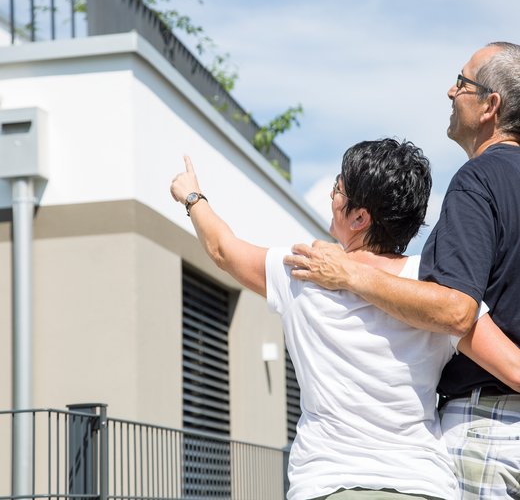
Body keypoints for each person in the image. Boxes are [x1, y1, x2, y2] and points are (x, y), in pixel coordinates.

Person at [170, 138, 520, 500]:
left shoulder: (301, 271)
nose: (332, 194)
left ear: (359, 217)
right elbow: (512, 368)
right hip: (420, 483)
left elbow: (222, 250)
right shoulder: (437, 290)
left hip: (326, 482)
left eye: (338, 187)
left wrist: (193, 198)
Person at [283, 42, 520, 499]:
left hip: (488, 429)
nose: (451, 91)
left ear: (491, 105)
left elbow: (456, 312)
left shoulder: (479, 180)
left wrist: (349, 274)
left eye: (463, 83)